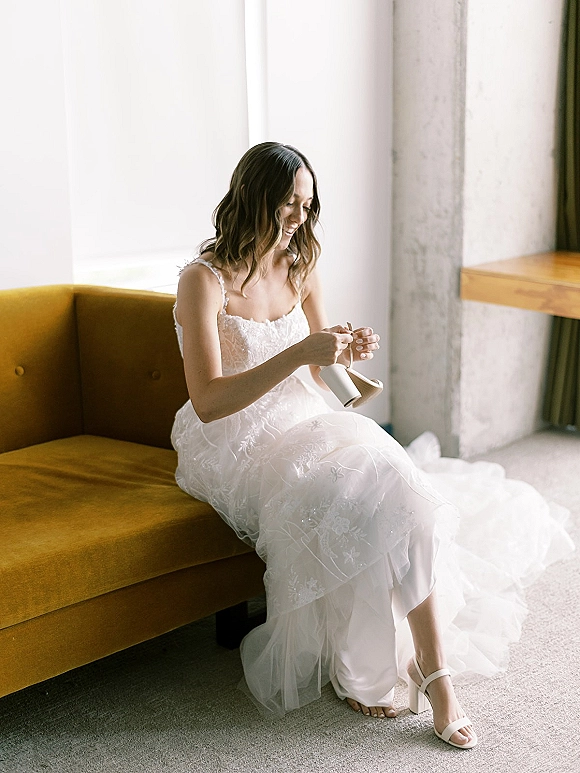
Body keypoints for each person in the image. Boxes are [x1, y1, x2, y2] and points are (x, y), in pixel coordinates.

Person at [171, 142, 574, 749]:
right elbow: (208, 402)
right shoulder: (203, 280)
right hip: (239, 440)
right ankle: (381, 662)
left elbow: (315, 378)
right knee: (353, 496)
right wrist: (302, 352)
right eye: (288, 205)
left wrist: (344, 359)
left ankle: (435, 675)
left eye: (307, 205)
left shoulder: (301, 263)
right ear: (251, 198)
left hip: (306, 416)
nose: (299, 220)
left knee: (401, 486)